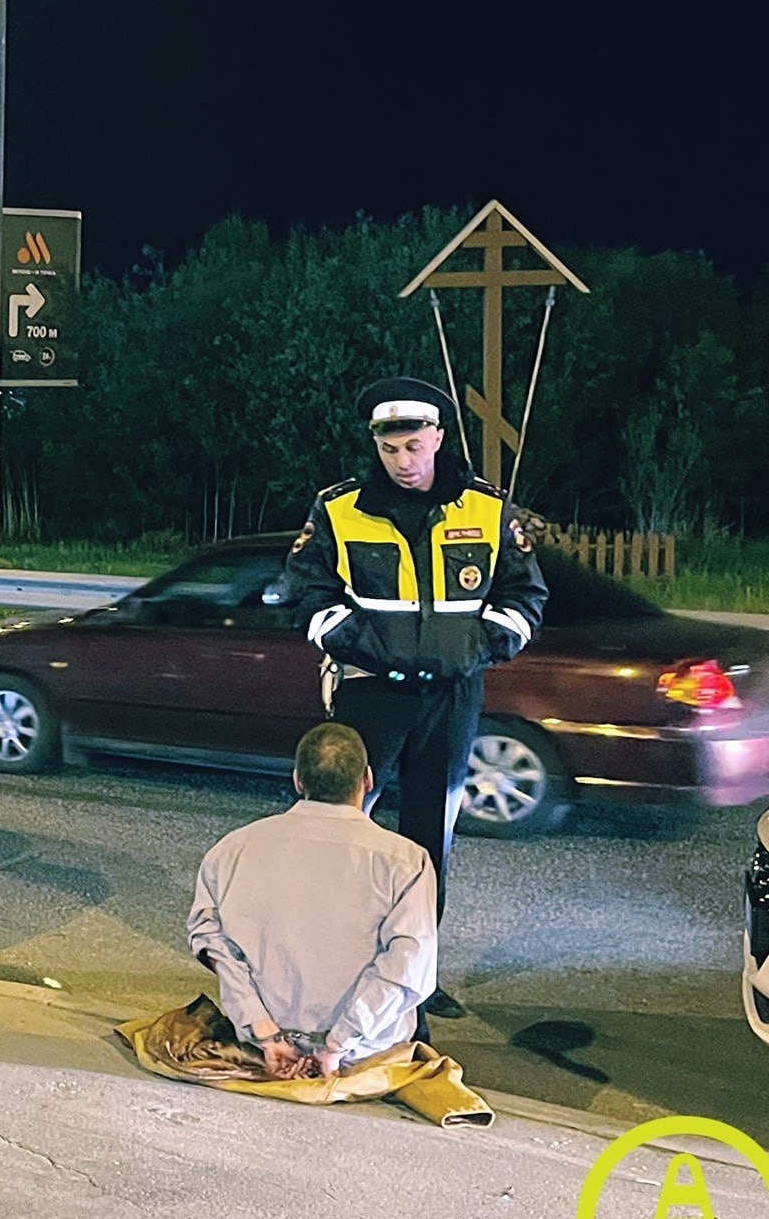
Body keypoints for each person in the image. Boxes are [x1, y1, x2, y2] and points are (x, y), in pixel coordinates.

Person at [282, 376, 546, 1018]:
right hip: (370, 697)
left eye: (415, 447)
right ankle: (334, 967)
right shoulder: (339, 509)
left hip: (452, 700)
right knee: (342, 834)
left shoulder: (488, 511)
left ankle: (414, 979)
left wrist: (479, 648)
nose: (404, 463)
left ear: (439, 438)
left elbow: (525, 599)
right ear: (376, 444)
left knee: (431, 842)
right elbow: (305, 595)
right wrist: (366, 647)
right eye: (391, 449)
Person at [187, 722, 438, 1077]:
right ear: (367, 780)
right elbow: (409, 967)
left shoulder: (232, 849)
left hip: (262, 1044)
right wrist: (337, 1045)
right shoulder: (407, 861)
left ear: (297, 780)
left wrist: (265, 1032)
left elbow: (212, 944)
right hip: (361, 1052)